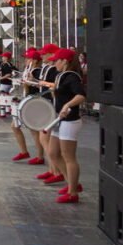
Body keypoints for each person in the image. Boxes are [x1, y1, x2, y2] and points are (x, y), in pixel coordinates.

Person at [45, 48, 86, 204]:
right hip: (59, 119)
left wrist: (67, 105)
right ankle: (72, 183)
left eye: (56, 60)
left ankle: (73, 192)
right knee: (53, 153)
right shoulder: (61, 75)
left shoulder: (72, 77)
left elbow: (81, 95)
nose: (54, 62)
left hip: (70, 120)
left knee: (68, 157)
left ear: (65, 61)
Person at [36, 43, 65, 185]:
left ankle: (56, 171)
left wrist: (43, 83)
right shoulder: (49, 67)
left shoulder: (54, 69)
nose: (42, 55)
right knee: (44, 139)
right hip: (48, 104)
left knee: (46, 140)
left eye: (45, 53)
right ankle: (52, 169)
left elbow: (56, 86)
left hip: (51, 106)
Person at [0, 51, 15, 121]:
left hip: (5, 83)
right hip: (5, 82)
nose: (2, 57)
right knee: (6, 95)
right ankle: (7, 110)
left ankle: (2, 113)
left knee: (2, 97)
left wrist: (1, 78)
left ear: (7, 58)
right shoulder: (5, 64)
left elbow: (9, 74)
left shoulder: (7, 64)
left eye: (4, 57)